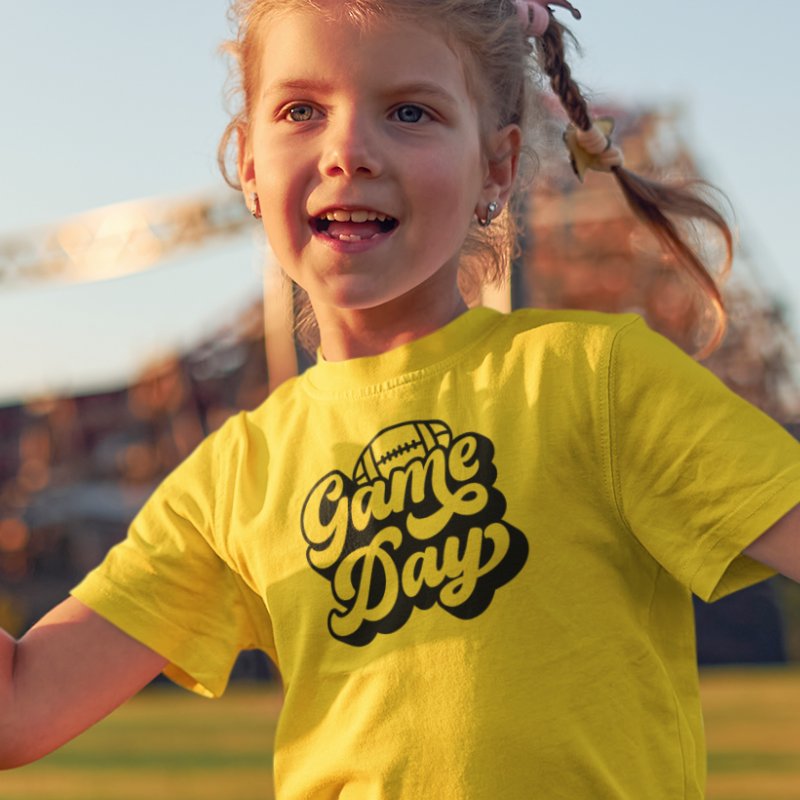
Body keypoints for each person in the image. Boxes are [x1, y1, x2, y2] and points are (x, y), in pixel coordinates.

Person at [3, 0, 800, 797]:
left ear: (496, 167)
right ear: (248, 163)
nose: (348, 150)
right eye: (301, 110)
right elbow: (21, 708)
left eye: (410, 111)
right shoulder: (234, 477)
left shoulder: (596, 379)